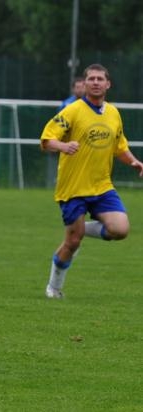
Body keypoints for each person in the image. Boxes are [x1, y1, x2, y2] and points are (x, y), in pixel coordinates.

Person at [40, 63, 143, 299]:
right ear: (84, 84)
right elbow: (47, 140)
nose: (96, 82)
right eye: (91, 79)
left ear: (108, 84)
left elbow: (120, 146)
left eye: (100, 79)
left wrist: (134, 161)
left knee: (120, 229)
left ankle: (79, 229)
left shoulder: (113, 113)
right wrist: (64, 145)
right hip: (73, 187)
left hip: (102, 185)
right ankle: (53, 287)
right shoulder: (72, 111)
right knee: (72, 243)